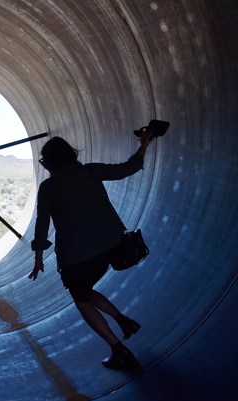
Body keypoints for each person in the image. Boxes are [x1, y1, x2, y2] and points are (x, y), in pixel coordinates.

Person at [29, 131, 154, 370]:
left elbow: (42, 225)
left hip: (76, 257)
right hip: (109, 248)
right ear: (70, 154)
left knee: (82, 300)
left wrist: (38, 258)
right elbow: (129, 168)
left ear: (49, 162)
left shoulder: (48, 187)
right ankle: (124, 321)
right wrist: (145, 143)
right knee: (85, 291)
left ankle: (119, 351)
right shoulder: (90, 171)